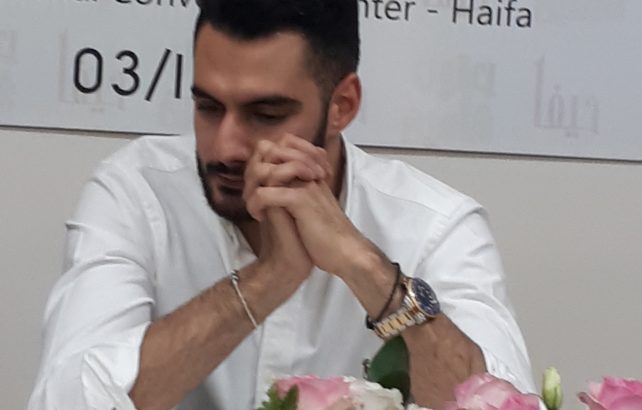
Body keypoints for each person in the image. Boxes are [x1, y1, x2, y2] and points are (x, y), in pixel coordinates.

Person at [29, 0, 536, 409]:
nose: (225, 147)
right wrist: (270, 277)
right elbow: (65, 401)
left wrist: (368, 270)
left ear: (342, 106)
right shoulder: (136, 194)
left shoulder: (436, 225)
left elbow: (507, 402)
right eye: (208, 107)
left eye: (266, 114)